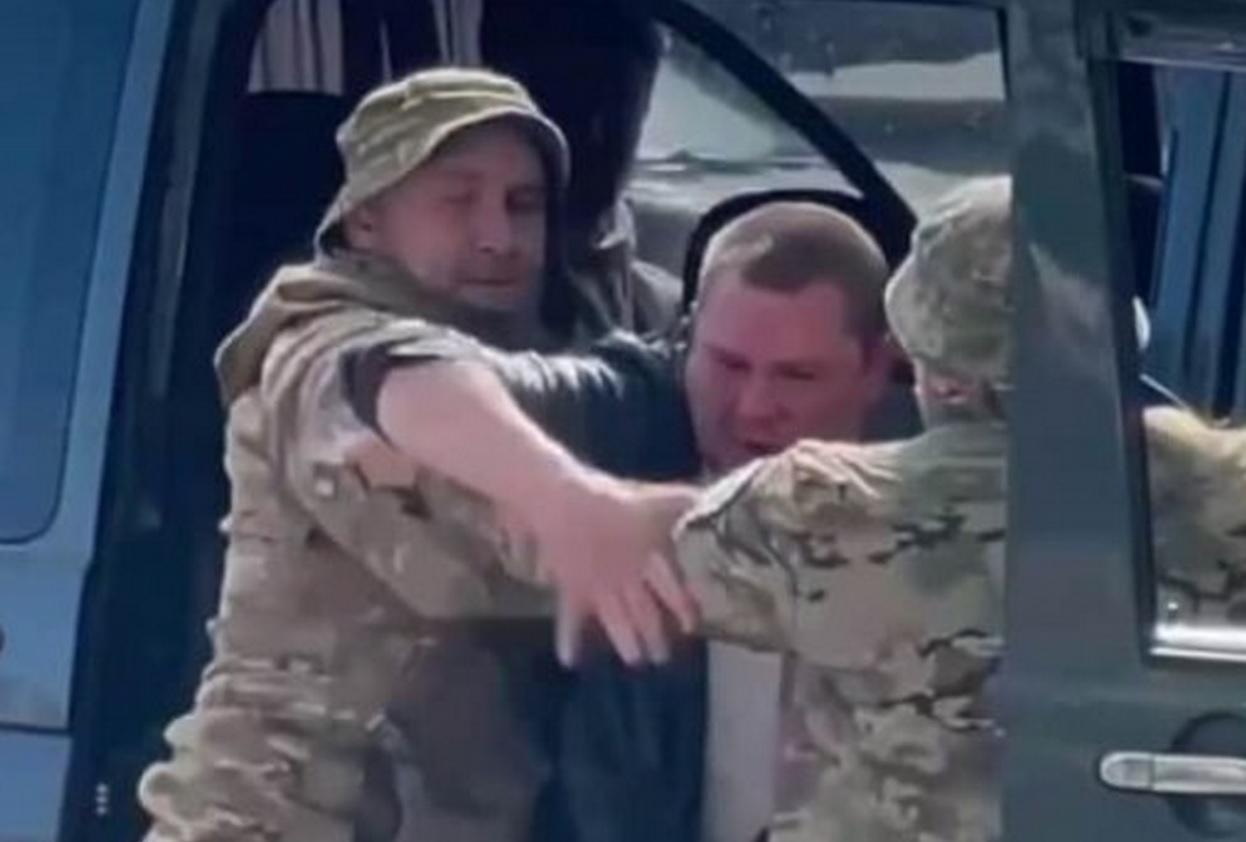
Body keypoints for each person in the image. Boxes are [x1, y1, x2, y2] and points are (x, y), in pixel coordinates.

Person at [336, 174, 1246, 842]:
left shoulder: (821, 515)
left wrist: (473, 473)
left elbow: (571, 540)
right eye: (728, 365)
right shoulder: (1220, 489)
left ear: (903, 363)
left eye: (799, 375)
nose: (756, 406)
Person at [138, 66, 619, 842]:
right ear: (366, 222)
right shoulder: (321, 344)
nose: (498, 236)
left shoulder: (547, 345)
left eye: (523, 204)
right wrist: (706, 545)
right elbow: (455, 508)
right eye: (458, 201)